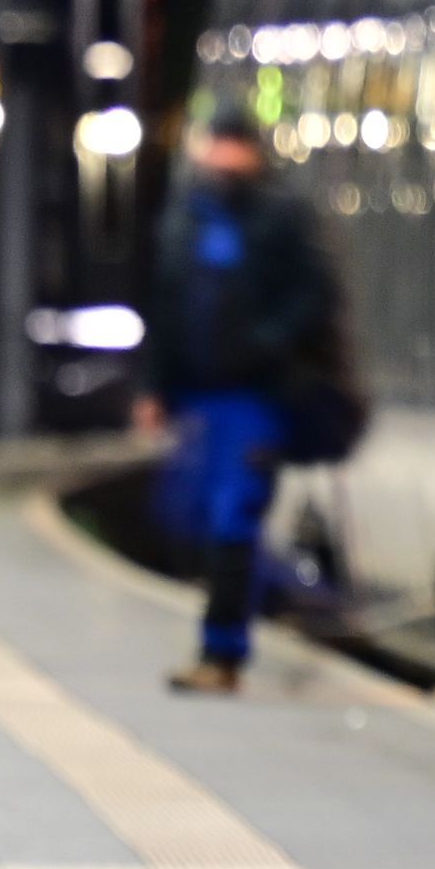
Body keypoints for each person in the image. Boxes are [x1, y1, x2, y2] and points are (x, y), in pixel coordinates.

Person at [146, 111, 353, 696]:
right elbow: (166, 303)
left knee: (233, 518)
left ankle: (224, 651)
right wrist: (154, 387)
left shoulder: (280, 217)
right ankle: (299, 599)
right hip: (200, 398)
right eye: (218, 145)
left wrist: (268, 344)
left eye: (235, 147)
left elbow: (315, 293)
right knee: (190, 517)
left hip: (256, 398)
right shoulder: (189, 216)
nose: (225, 158)